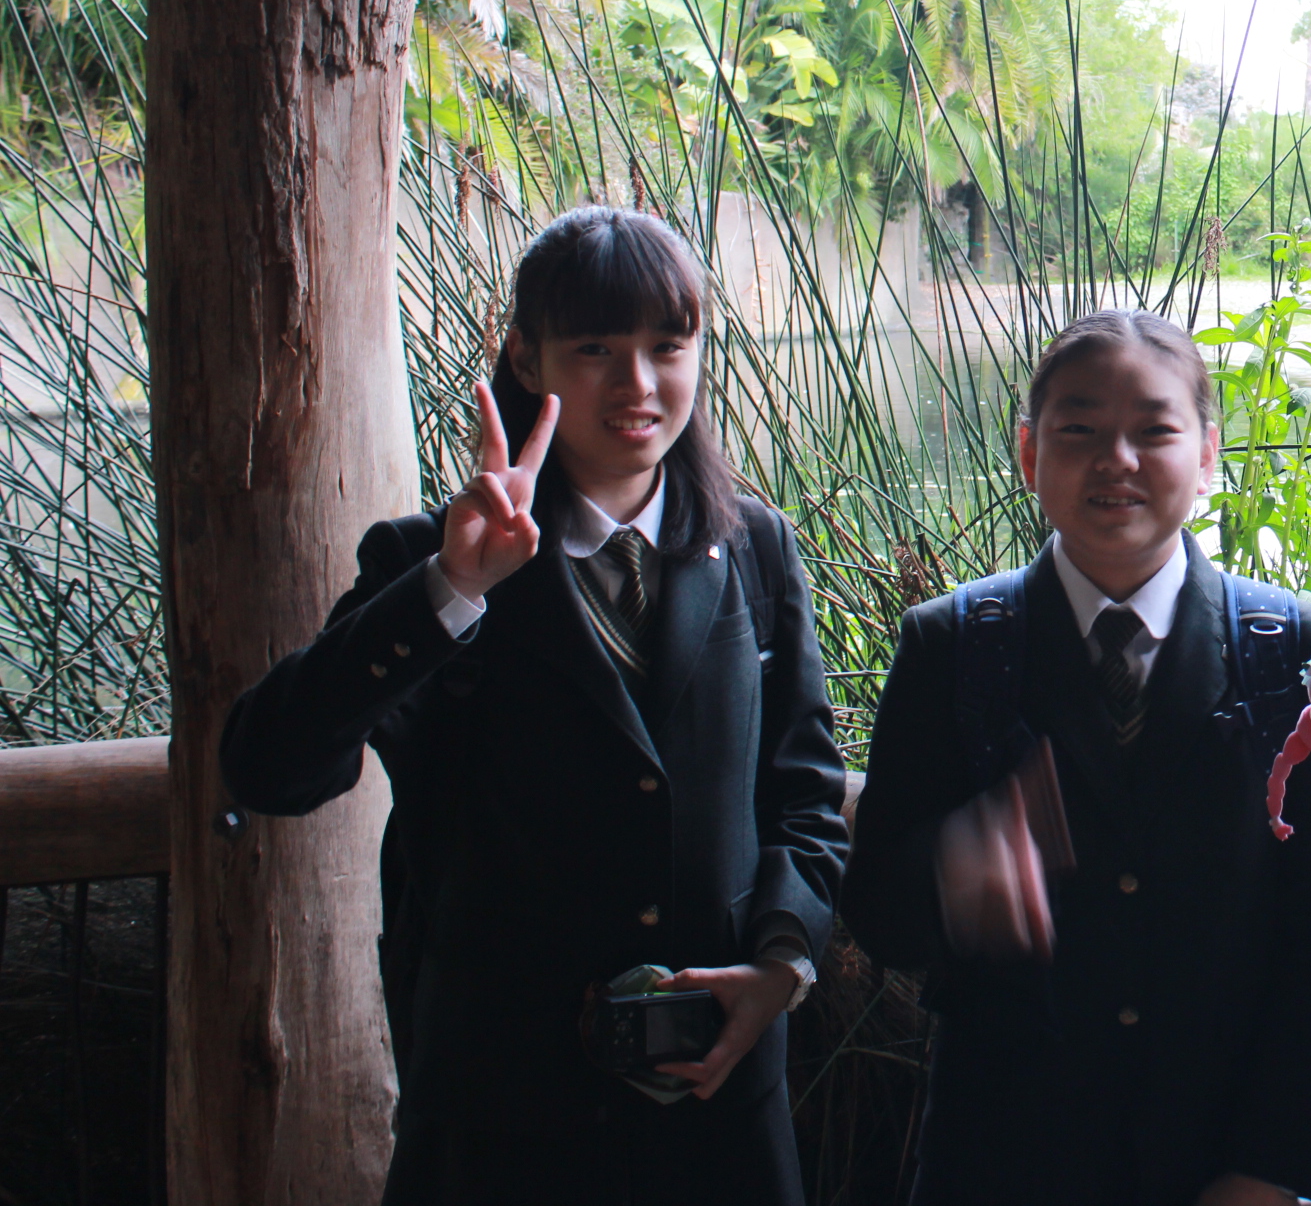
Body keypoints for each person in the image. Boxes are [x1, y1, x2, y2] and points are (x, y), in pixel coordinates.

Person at [221, 207, 848, 1206]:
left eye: (667, 347)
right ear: (525, 356)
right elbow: (266, 766)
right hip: (502, 1119)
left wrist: (782, 965)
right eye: (595, 349)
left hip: (719, 1114)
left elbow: (805, 796)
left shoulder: (757, 549)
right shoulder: (430, 561)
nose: (638, 385)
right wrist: (452, 590)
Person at [845, 310, 1311, 1206]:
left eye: (1154, 431)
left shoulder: (1297, 654)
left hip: (1232, 1156)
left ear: (1207, 455)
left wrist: (1269, 1169)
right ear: (1029, 453)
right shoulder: (955, 648)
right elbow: (878, 915)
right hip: (1007, 1159)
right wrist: (951, 872)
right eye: (1080, 430)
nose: (1116, 460)